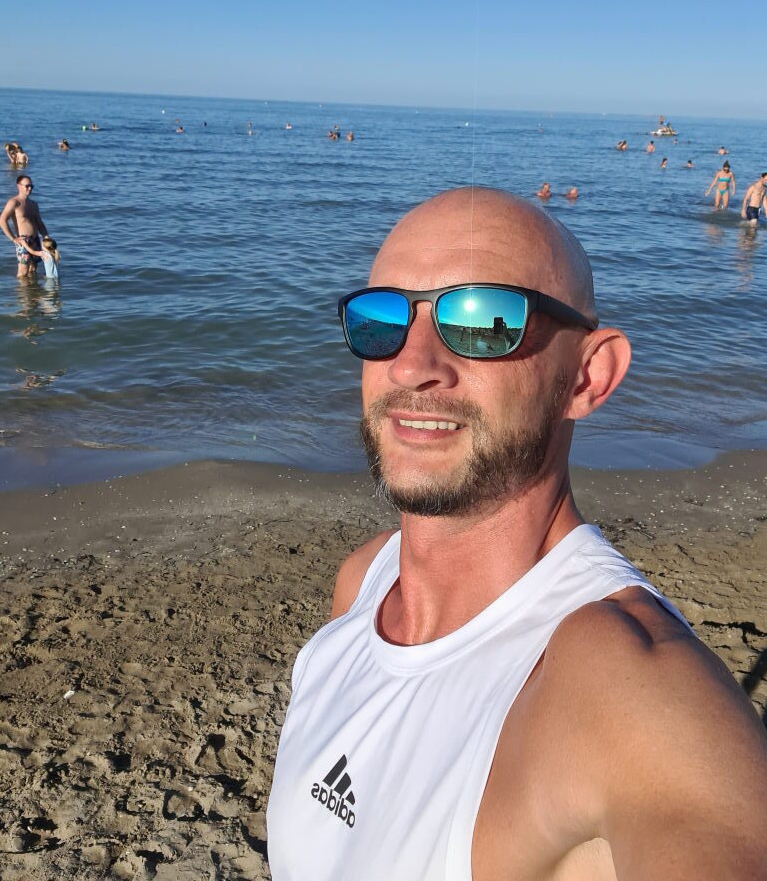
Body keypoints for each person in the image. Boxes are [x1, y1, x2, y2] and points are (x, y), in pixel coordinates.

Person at [266, 186, 767, 880]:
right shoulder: (362, 584)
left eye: (482, 320)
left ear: (588, 376)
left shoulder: (630, 692)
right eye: (382, 320)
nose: (410, 366)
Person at [0, 176, 50, 279]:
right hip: (23, 241)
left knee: (32, 269)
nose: (29, 189)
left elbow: (40, 223)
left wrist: (46, 238)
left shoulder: (34, 204)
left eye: (31, 186)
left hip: (35, 240)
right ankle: (22, 294)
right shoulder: (14, 202)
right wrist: (13, 238)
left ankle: (31, 294)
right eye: (27, 186)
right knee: (23, 272)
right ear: (19, 186)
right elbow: (2, 221)